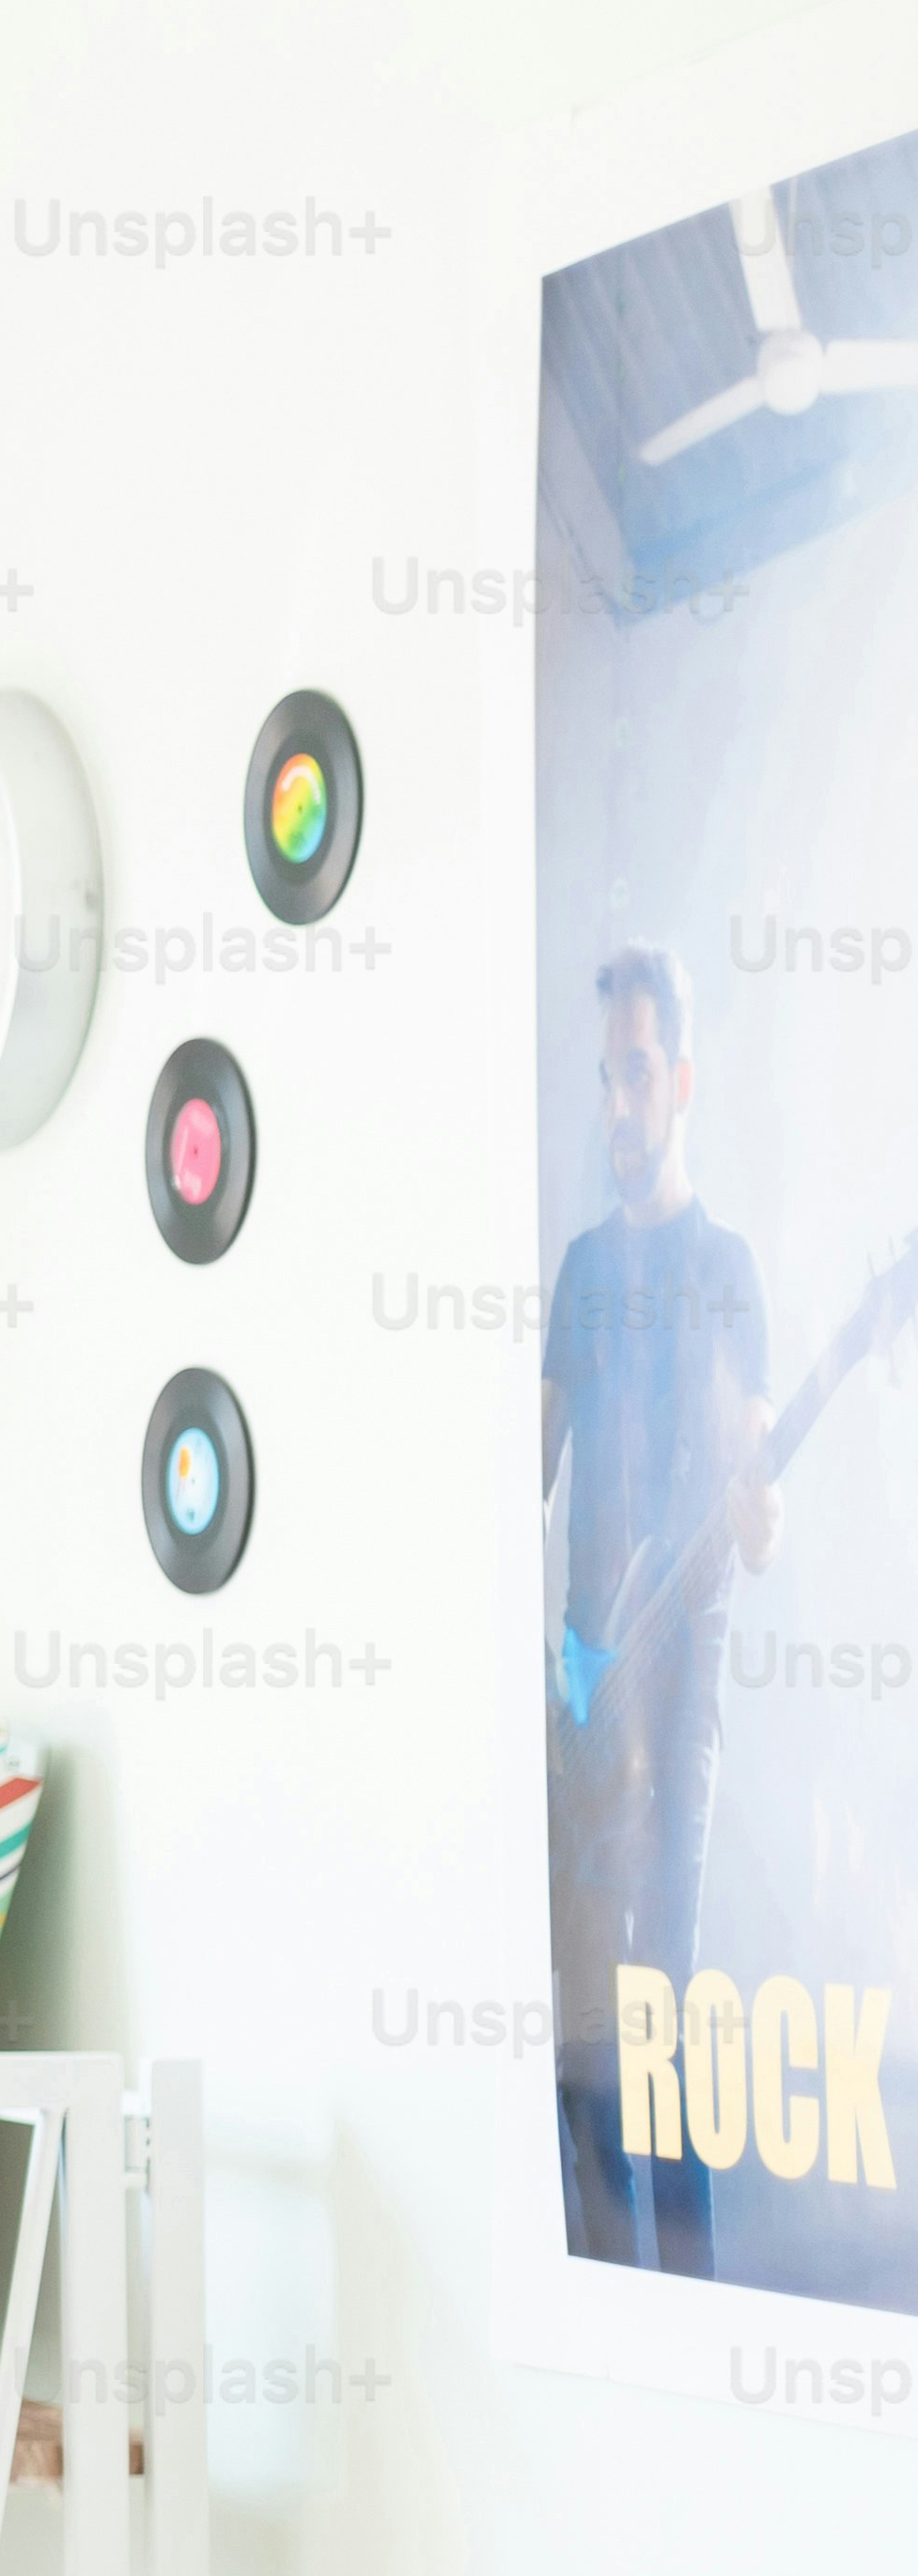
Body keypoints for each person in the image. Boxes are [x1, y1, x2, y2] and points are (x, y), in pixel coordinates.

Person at [543, 944, 775, 2273]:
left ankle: (690, 2316)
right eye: (605, 1080)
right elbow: (527, 1475)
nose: (619, 1106)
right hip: (586, 1691)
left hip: (679, 1696)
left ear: (681, 1080)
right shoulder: (581, 1272)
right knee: (579, 2044)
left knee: (663, 2027)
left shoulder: (726, 1266)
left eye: (638, 1074)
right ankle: (601, 2298)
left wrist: (759, 1515)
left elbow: (758, 1500)